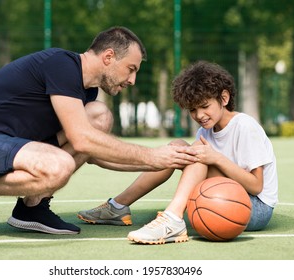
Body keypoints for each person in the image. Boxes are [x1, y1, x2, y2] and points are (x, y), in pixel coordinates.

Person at [0, 26, 199, 240]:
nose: (132, 80)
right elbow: (81, 139)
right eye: (131, 68)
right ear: (109, 56)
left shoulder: (86, 91)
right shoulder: (62, 65)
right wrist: (152, 156)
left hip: (14, 145)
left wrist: (164, 162)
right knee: (60, 165)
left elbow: (92, 152)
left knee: (99, 116)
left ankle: (31, 207)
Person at [78, 60, 278, 245]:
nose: (199, 115)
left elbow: (256, 186)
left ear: (224, 98)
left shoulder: (244, 126)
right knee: (177, 147)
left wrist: (215, 158)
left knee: (197, 156)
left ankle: (172, 219)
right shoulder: (205, 131)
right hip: (224, 195)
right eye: (192, 110)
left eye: (205, 106)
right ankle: (118, 206)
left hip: (254, 207)